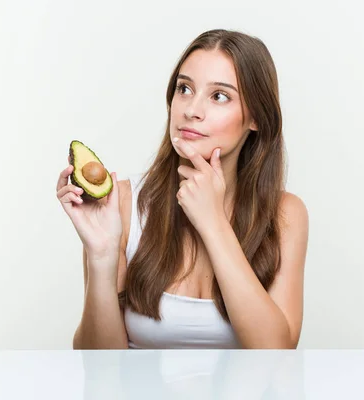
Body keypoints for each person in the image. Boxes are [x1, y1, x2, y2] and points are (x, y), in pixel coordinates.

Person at [56, 29, 309, 349]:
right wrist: (102, 256)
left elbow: (276, 353)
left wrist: (213, 223)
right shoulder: (119, 203)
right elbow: (98, 366)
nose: (192, 109)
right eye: (185, 88)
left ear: (256, 117)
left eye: (219, 96)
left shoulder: (286, 214)